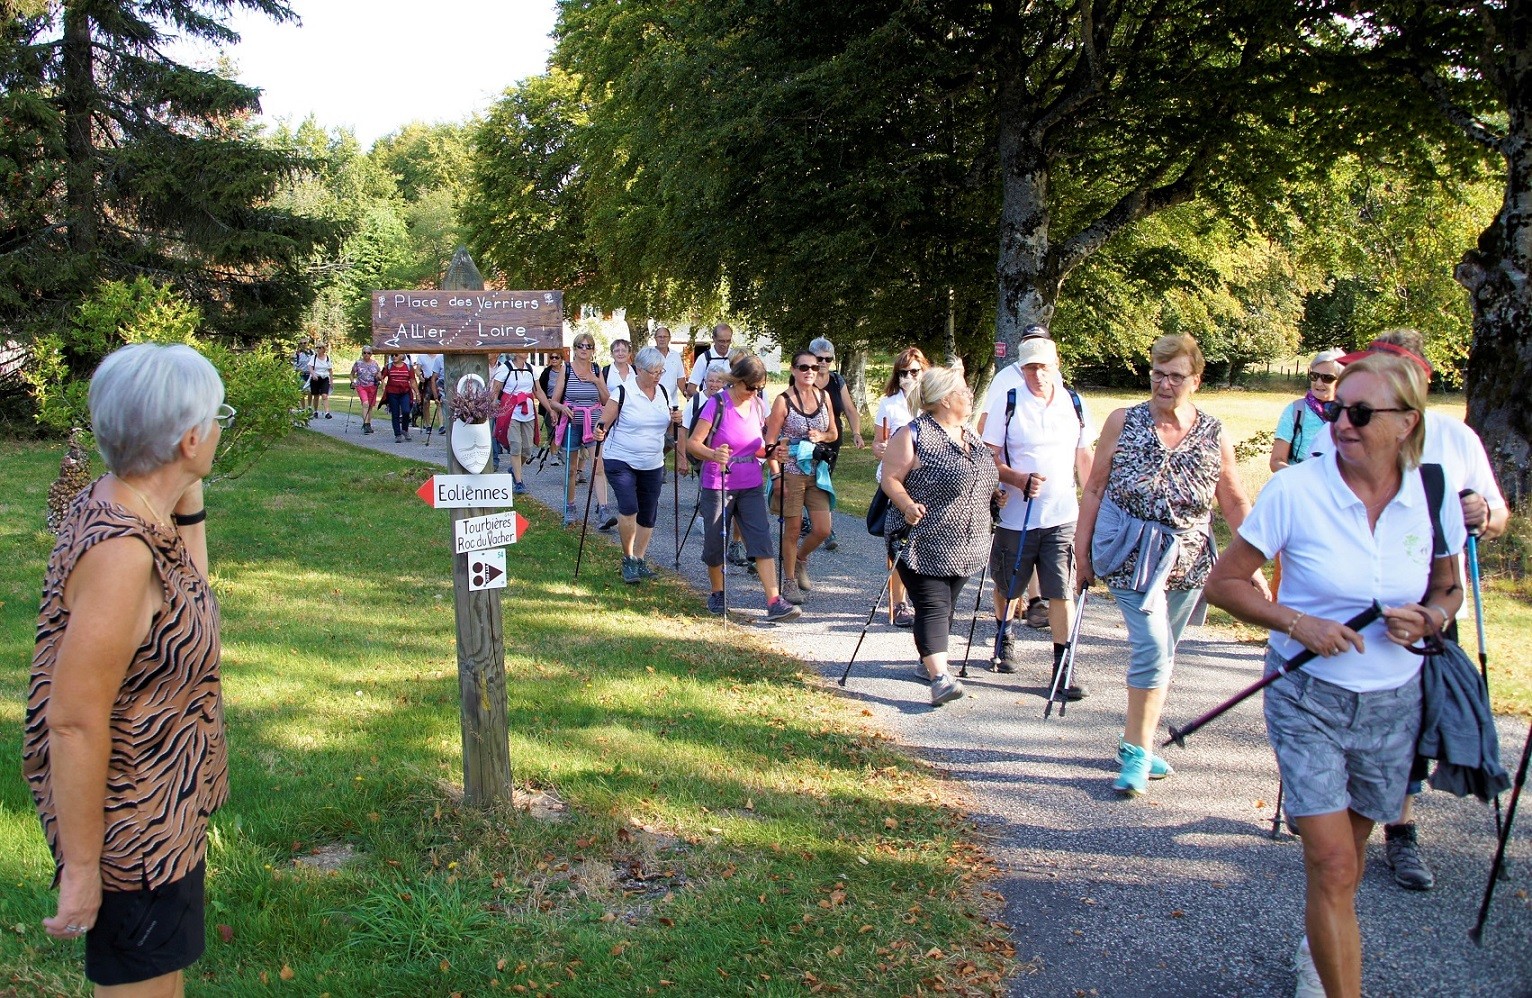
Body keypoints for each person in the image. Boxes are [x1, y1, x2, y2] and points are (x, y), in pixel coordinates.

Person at [1205, 351, 1465, 998]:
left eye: (1358, 412)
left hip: (1393, 704)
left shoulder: (1432, 495)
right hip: (1307, 698)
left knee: (1340, 875)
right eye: (1332, 409)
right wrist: (1300, 624)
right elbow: (1225, 584)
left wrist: (1431, 619)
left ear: (1405, 422)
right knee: (1332, 860)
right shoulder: (1300, 490)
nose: (1340, 423)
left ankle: (1315, 946)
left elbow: (1449, 589)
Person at [24, 342, 233, 995]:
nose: (221, 426)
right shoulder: (121, 554)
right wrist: (84, 869)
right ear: (190, 439)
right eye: (216, 414)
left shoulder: (130, 504)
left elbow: (189, 596)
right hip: (131, 833)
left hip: (164, 813)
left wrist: (189, 497)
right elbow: (74, 723)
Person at [1313, 329, 1511, 891]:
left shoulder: (1457, 439)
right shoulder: (1346, 428)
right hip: (1357, 611)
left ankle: (1395, 833)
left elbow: (1497, 516)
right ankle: (1350, 829)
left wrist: (1481, 512)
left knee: (1407, 733)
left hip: (1427, 615)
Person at [1075, 333, 1265, 796]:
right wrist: (1081, 555)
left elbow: (1234, 499)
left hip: (1188, 558)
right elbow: (1095, 488)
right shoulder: (1124, 421)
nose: (1165, 384)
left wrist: (1252, 562)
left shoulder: (1214, 433)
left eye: (1176, 376)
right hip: (1128, 551)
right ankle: (1138, 757)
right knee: (1154, 648)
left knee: (1166, 649)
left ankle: (1135, 740)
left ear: (1195, 381)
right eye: (1158, 374)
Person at [880, 365, 1001, 707]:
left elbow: (982, 474)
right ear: (947, 400)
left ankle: (928, 660)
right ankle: (940, 678)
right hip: (922, 539)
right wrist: (906, 504)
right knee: (933, 606)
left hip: (967, 543)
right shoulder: (912, 434)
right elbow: (890, 479)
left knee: (944, 607)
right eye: (964, 392)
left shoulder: (969, 435)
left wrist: (994, 495)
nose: (969, 396)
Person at [981, 336, 1095, 696]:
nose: (1038, 374)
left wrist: (1093, 506)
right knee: (1007, 585)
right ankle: (1004, 637)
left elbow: (1084, 457)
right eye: (1030, 367)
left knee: (1061, 590)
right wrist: (1017, 479)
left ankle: (1063, 668)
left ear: (1056, 364)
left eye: (1044, 366)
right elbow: (988, 456)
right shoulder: (1009, 400)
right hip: (1017, 515)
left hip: (1062, 515)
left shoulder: (1073, 403)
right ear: (1022, 368)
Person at [687, 354, 801, 622]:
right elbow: (693, 444)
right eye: (750, 387)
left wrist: (773, 452)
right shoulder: (716, 405)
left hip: (750, 482)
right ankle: (717, 592)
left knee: (761, 539)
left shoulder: (758, 406)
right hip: (718, 483)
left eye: (758, 388)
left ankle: (774, 601)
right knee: (715, 542)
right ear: (736, 381)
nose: (753, 392)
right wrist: (714, 455)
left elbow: (757, 446)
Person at [979, 323, 1060, 629]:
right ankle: (1007, 629)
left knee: (1042, 544)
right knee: (1010, 569)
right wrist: (999, 480)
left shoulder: (1057, 381)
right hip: (1013, 488)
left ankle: (1038, 601)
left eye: (1041, 343)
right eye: (1029, 344)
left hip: (1052, 496)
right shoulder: (1006, 379)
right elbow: (989, 427)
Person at [593, 347, 682, 583]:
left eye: (660, 371)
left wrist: (676, 423)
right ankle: (628, 559)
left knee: (648, 512)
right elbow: (603, 422)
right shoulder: (622, 393)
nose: (658, 376)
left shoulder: (663, 392)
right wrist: (598, 431)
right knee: (629, 506)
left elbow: (670, 432)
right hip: (620, 458)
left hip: (652, 462)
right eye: (653, 371)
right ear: (639, 370)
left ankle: (640, 559)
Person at [764, 350, 839, 604]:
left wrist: (822, 437)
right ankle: (788, 581)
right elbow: (770, 442)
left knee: (822, 528)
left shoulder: (824, 396)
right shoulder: (783, 401)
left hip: (816, 470)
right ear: (793, 371)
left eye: (815, 368)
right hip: (791, 471)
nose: (810, 372)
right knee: (792, 529)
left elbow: (834, 433)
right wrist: (776, 477)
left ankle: (800, 560)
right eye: (804, 367)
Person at [874, 347, 930, 627]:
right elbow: (876, 446)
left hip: (927, 480)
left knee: (925, 542)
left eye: (914, 372)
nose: (909, 377)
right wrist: (881, 447)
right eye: (903, 372)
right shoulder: (890, 403)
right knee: (897, 541)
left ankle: (924, 598)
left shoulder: (933, 402)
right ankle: (899, 602)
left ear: (924, 371)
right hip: (896, 480)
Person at [549, 333, 612, 527]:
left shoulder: (596, 369)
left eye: (588, 346)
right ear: (575, 349)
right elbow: (553, 401)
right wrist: (562, 408)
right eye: (580, 346)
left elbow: (606, 400)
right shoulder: (566, 369)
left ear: (593, 350)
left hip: (594, 423)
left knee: (598, 467)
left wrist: (596, 381)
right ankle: (570, 506)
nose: (584, 349)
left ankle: (603, 509)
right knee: (571, 469)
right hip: (571, 422)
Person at [1270, 349, 1345, 471]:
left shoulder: (1349, 413)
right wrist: (1304, 479)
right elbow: (1276, 462)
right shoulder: (1296, 410)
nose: (1319, 383)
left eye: (1327, 378)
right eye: (1314, 376)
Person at [490, 352, 546, 492]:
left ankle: (514, 469)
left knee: (527, 450)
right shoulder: (505, 368)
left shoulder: (531, 369)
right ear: (514, 351)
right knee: (515, 445)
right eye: (522, 349)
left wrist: (550, 410)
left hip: (528, 412)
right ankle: (519, 482)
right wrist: (492, 405)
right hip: (511, 411)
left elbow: (538, 391)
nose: (525, 352)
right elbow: (495, 390)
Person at [684, 322, 735, 399]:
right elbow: (691, 389)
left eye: (728, 341)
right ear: (713, 338)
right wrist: (707, 402)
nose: (725, 344)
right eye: (721, 341)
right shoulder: (704, 358)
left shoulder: (735, 357)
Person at [537, 352, 566, 466]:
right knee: (552, 429)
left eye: (556, 357)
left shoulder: (566, 372)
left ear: (561, 359)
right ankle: (554, 455)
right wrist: (547, 402)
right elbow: (539, 389)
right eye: (551, 357)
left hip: (563, 405)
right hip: (549, 404)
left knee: (563, 430)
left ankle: (561, 452)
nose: (554, 359)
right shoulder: (546, 372)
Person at [381, 352, 416, 442]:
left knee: (406, 411)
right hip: (392, 393)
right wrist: (378, 376)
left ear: (402, 356)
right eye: (392, 355)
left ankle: (404, 429)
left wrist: (417, 393)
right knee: (395, 414)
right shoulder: (388, 367)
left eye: (396, 355)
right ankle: (397, 434)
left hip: (405, 392)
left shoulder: (408, 367)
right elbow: (381, 377)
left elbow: (412, 381)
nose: (393, 357)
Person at [350, 345, 381, 434]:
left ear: (371, 354)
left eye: (368, 353)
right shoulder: (358, 363)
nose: (366, 355)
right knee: (365, 404)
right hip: (361, 386)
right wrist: (352, 382)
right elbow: (351, 374)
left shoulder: (374, 363)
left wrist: (379, 377)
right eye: (364, 353)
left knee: (370, 406)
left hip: (372, 387)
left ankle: (368, 424)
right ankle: (365, 424)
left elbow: (378, 374)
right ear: (362, 353)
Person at [413, 353, 444, 433]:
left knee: (439, 402)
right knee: (426, 402)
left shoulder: (440, 356)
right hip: (427, 381)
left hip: (438, 381)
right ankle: (428, 424)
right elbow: (417, 369)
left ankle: (441, 425)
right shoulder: (422, 356)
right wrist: (420, 376)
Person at [653, 326, 686, 399]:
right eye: (660, 337)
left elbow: (680, 378)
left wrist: (685, 393)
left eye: (665, 337)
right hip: (653, 400)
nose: (662, 339)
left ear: (669, 338)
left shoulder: (676, 355)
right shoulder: (649, 354)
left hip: (672, 401)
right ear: (655, 338)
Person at [307, 343, 333, 419]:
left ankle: (327, 412)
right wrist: (313, 374)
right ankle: (315, 411)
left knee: (324, 395)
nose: (318, 349)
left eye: (320, 348)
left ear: (323, 349)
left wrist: (331, 381)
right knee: (316, 396)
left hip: (324, 378)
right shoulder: (313, 357)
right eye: (317, 348)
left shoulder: (327, 358)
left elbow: (330, 370)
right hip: (315, 378)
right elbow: (310, 366)